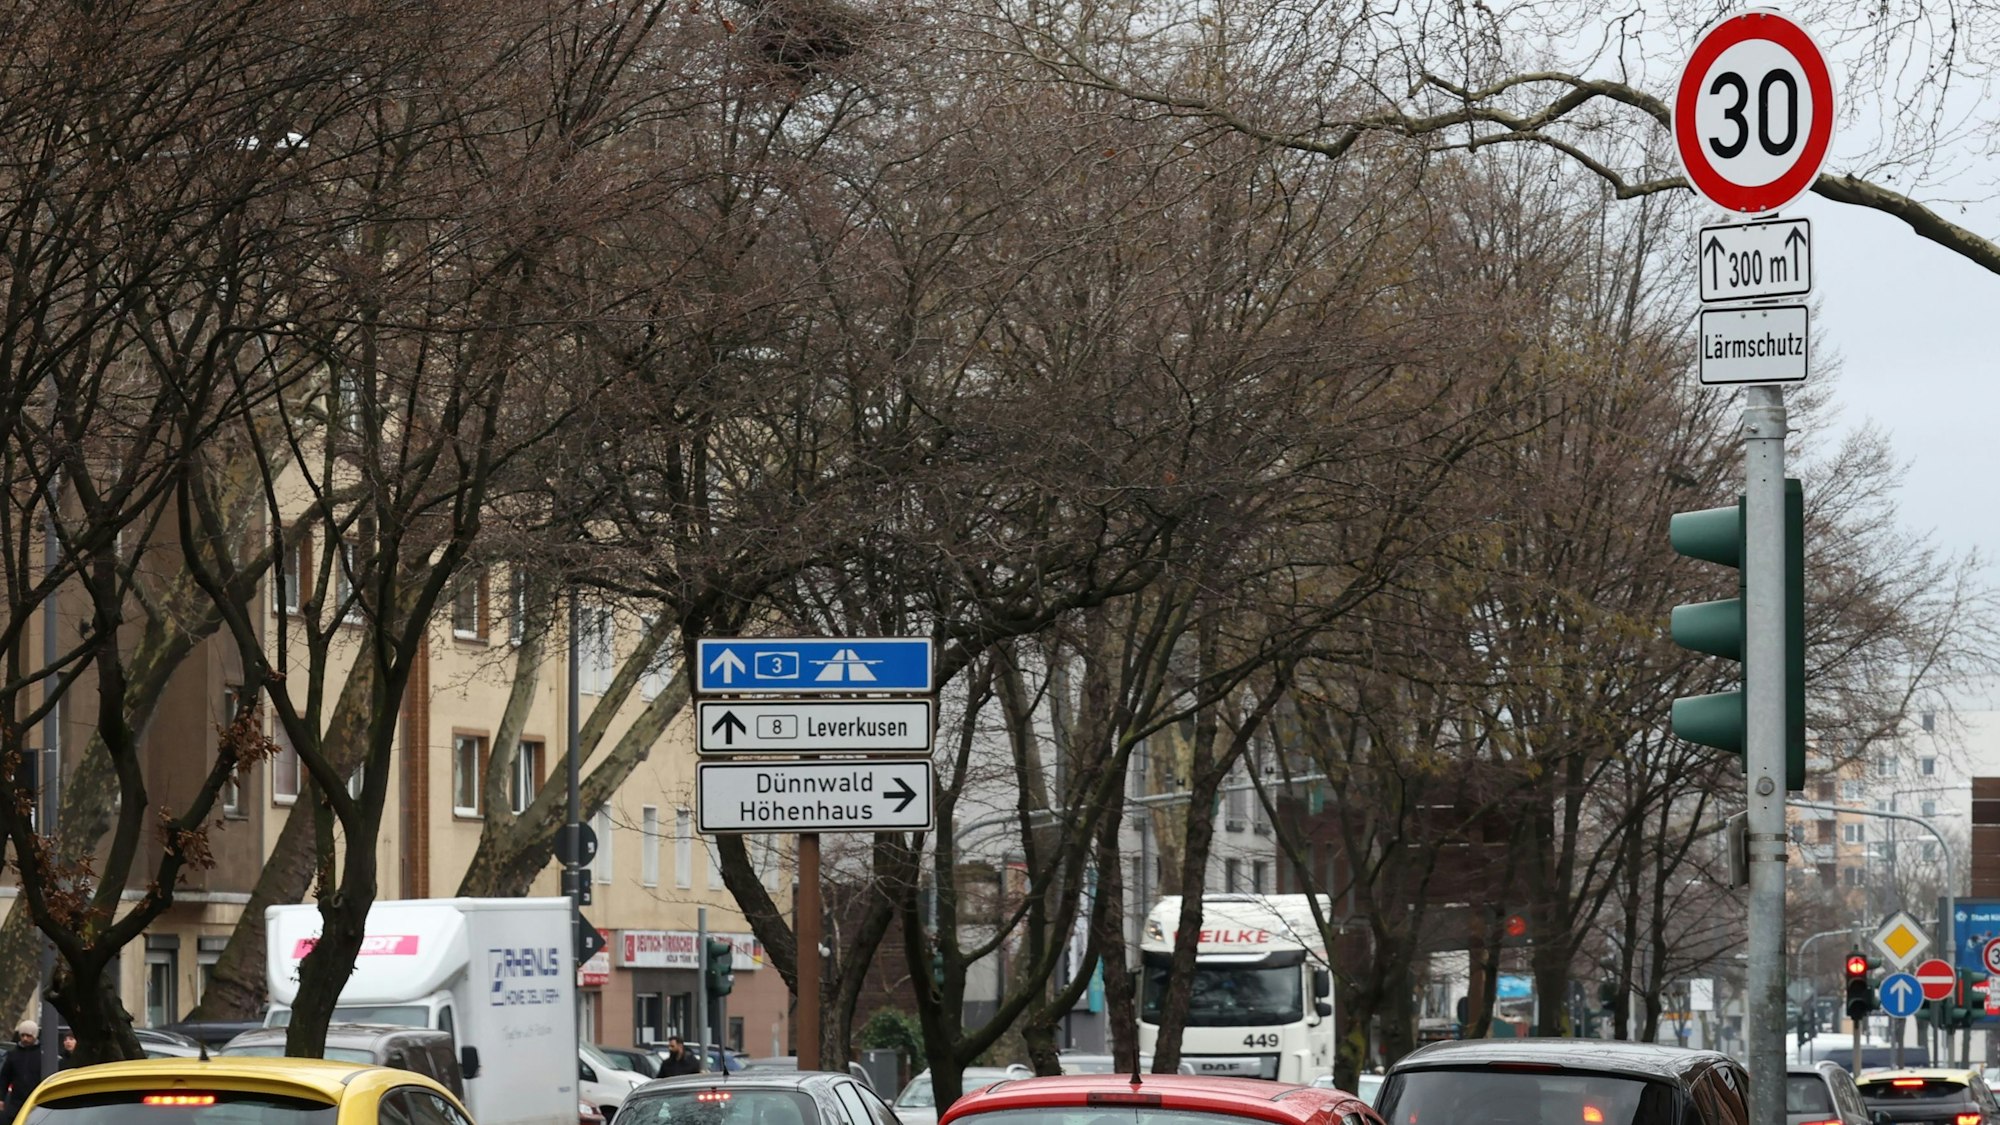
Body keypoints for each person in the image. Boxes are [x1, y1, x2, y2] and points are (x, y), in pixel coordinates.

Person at [0, 1021, 47, 1124]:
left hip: (38, 1102)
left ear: (35, 1036)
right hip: (16, 1102)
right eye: (22, 1035)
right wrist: (1, 1098)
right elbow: (5, 1077)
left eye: (29, 1036)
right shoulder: (13, 1054)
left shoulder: (42, 1054)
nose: (25, 1038)